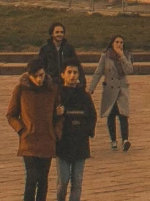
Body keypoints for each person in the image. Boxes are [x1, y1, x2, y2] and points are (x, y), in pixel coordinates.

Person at [7, 59, 60, 201]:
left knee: (43, 179)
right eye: (35, 76)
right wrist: (21, 130)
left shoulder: (52, 89)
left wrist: (56, 132)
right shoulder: (21, 89)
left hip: (47, 139)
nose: (39, 78)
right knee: (31, 178)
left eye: (41, 75)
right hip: (28, 141)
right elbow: (11, 115)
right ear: (29, 75)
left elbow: (59, 115)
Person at [53, 63, 94, 201]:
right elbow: (50, 117)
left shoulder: (84, 96)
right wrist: (57, 114)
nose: (72, 76)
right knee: (63, 181)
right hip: (63, 144)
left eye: (75, 73)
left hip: (80, 144)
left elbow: (92, 116)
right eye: (69, 72)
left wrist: (87, 131)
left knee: (77, 182)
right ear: (63, 74)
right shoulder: (57, 94)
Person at [90, 36, 132, 152]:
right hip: (110, 88)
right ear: (112, 44)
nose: (119, 44)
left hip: (122, 89)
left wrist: (122, 57)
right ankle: (113, 140)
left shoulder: (127, 55)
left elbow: (129, 70)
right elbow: (98, 73)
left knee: (123, 115)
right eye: (117, 42)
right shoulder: (105, 56)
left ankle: (125, 140)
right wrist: (91, 88)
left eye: (121, 42)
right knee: (111, 115)